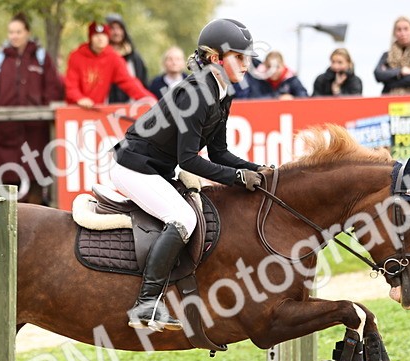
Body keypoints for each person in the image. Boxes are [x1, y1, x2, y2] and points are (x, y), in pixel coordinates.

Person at [109, 18, 264, 331]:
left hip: (155, 168)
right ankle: (147, 304)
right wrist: (236, 178)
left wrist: (255, 169)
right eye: (239, 57)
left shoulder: (222, 92)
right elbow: (189, 161)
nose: (247, 65)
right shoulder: (197, 93)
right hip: (133, 166)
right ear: (216, 58)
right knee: (184, 218)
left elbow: (219, 153)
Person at [0, 13, 64, 204]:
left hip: (35, 131)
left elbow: (53, 87)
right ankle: (8, 220)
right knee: (8, 174)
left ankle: (35, 218)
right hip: (7, 131)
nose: (15, 36)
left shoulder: (41, 58)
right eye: (11, 32)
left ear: (27, 32)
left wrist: (42, 112)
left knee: (35, 173)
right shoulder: (1, 59)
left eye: (18, 32)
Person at [65, 21, 154, 107]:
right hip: (76, 108)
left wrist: (148, 99)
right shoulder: (76, 56)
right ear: (90, 38)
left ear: (108, 37)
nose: (100, 38)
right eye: (96, 35)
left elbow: (128, 82)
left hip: (97, 108)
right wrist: (80, 98)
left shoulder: (114, 58)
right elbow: (71, 85)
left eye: (103, 35)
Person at [374, 16, 410, 95]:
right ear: (394, 33)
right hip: (390, 98)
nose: (403, 33)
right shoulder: (386, 56)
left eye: (406, 29)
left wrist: (389, 82)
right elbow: (378, 74)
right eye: (399, 30)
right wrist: (400, 71)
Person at [105, 13, 148, 104]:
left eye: (119, 28)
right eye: (112, 28)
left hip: (131, 107)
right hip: (105, 107)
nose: (116, 33)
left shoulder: (134, 58)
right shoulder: (101, 57)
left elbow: (142, 83)